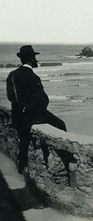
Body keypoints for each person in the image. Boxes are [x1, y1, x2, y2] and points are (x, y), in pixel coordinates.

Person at [6, 45, 67, 174]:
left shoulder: (12, 75)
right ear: (31, 60)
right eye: (35, 58)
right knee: (60, 124)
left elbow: (11, 96)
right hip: (32, 116)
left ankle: (21, 169)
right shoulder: (33, 78)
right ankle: (65, 163)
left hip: (18, 118)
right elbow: (40, 100)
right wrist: (36, 111)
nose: (36, 61)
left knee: (23, 143)